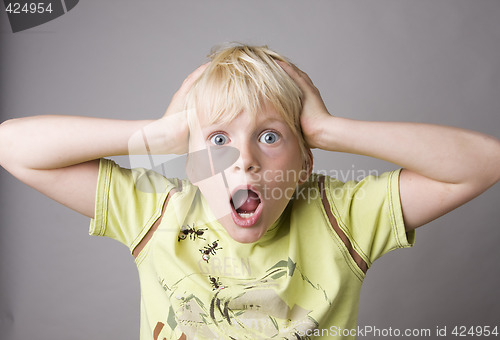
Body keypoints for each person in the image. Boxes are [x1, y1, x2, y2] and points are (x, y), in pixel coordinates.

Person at [0, 44, 499, 340]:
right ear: (192, 164)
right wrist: (162, 133)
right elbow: (13, 145)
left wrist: (329, 130)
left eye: (269, 136)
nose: (245, 159)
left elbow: (484, 163)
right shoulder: (158, 211)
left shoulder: (339, 217)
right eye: (218, 140)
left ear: (304, 164)